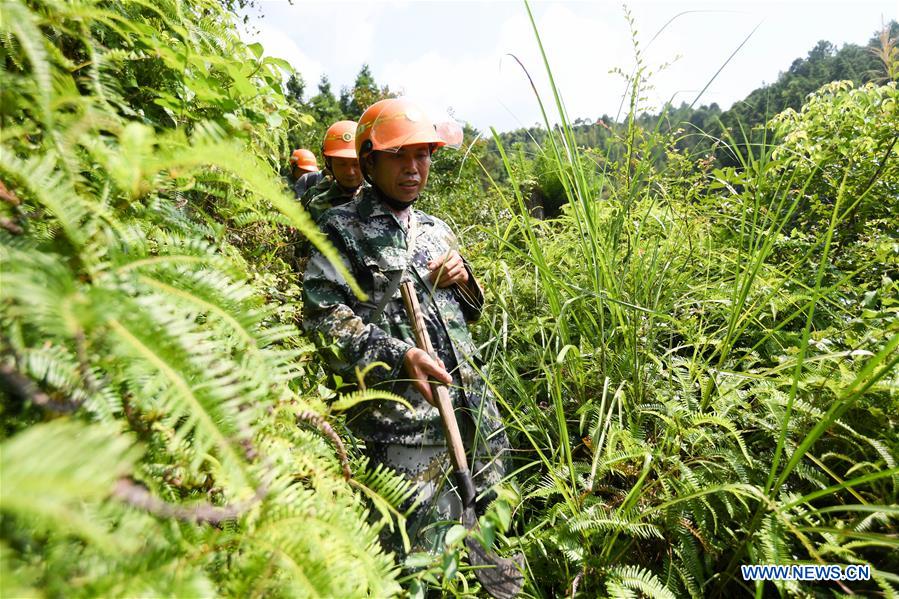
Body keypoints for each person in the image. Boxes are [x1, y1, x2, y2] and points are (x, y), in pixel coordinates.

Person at [302, 98, 509, 554]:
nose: (414, 167)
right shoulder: (342, 230)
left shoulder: (437, 228)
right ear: (370, 161)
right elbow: (322, 316)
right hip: (404, 430)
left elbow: (469, 313)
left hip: (472, 414)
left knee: (482, 542)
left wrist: (465, 279)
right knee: (413, 557)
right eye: (399, 155)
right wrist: (398, 353)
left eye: (422, 154)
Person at [301, 120, 365, 222]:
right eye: (341, 164)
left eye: (356, 164)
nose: (350, 172)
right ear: (329, 163)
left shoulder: (382, 198)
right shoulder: (314, 202)